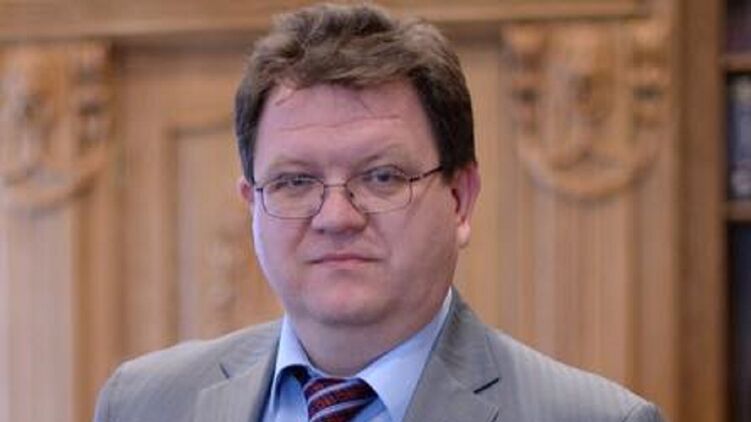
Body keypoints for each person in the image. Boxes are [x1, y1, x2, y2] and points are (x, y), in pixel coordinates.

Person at [94, 3, 664, 422]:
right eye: (295, 182)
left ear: (460, 198)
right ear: (253, 206)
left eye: (382, 177)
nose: (336, 216)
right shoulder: (143, 404)